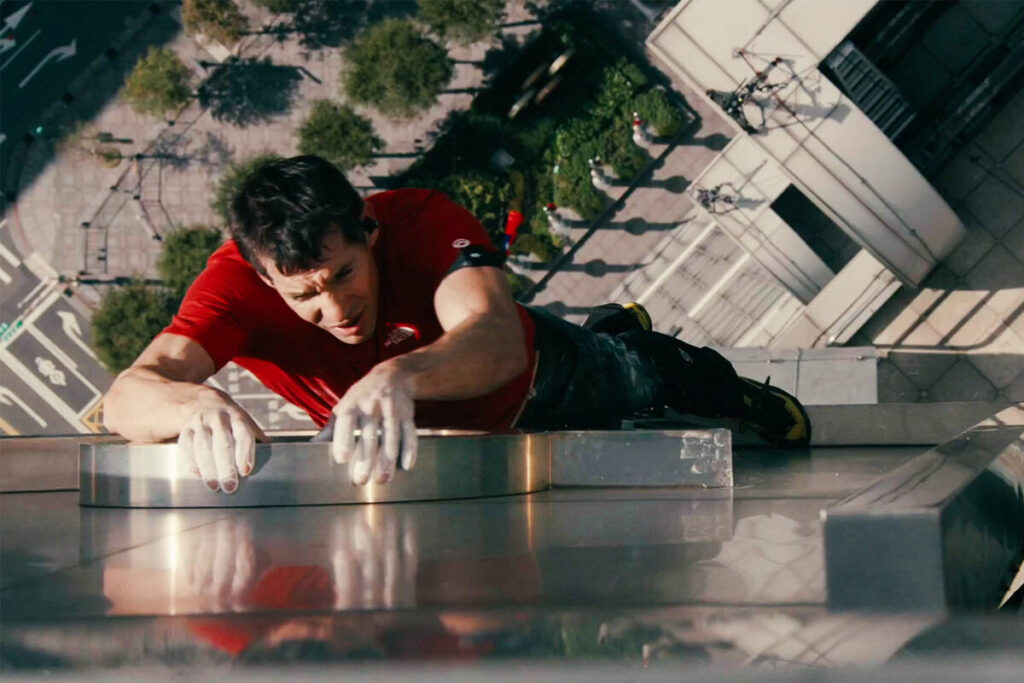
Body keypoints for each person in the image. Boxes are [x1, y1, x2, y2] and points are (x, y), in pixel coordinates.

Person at [104, 155, 809, 494]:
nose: (335, 309)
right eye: (305, 296)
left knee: (647, 376)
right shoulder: (235, 284)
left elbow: (495, 337)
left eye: (344, 275)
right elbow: (128, 397)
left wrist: (399, 375)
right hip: (445, 463)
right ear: (264, 280)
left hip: (537, 381)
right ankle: (608, 328)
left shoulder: (419, 217)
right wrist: (193, 404)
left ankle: (718, 385)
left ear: (369, 231)